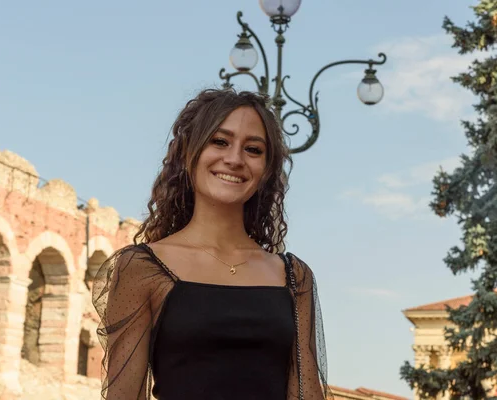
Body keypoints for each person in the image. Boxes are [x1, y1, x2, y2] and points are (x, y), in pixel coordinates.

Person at [92, 88, 332, 400]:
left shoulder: (294, 276)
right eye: (220, 141)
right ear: (188, 153)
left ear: (267, 170)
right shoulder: (142, 268)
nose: (234, 159)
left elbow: (307, 394)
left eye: (253, 149)